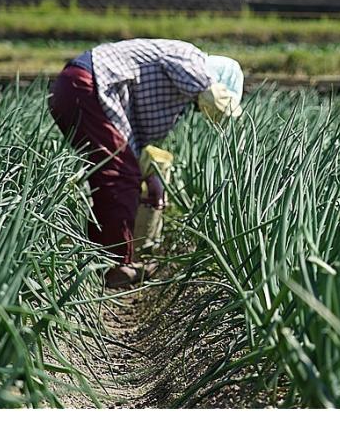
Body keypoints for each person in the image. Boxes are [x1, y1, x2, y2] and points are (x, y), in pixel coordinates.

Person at [49, 38, 243, 289]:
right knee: (119, 176)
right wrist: (211, 92)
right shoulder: (192, 59)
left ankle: (97, 260)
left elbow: (132, 142)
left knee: (111, 174)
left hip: (79, 88)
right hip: (87, 86)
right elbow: (201, 84)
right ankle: (117, 264)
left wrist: (148, 174)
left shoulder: (175, 96)